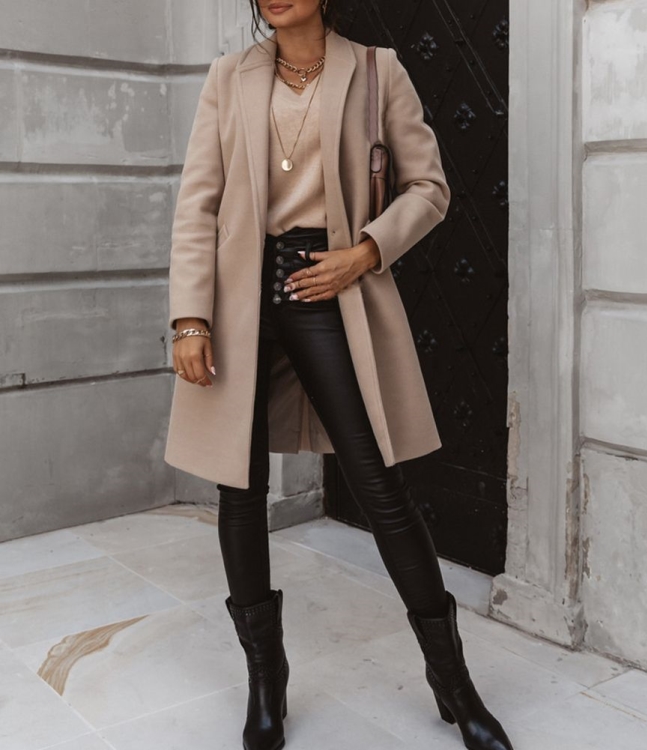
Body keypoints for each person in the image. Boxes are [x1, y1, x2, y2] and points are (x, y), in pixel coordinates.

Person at [165, 2, 514, 749]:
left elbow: (429, 188)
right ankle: (267, 680)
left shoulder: (378, 69)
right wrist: (189, 317)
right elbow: (197, 203)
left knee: (379, 484)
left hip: (328, 288)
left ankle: (453, 682)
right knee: (239, 489)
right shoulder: (229, 77)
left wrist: (365, 252)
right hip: (238, 298)